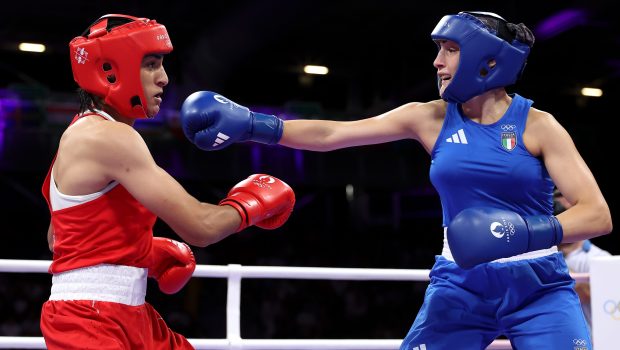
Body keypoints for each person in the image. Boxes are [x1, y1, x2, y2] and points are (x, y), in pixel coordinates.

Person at [179, 10, 613, 349]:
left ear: (486, 58)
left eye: (449, 49)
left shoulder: (540, 126)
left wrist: (523, 233)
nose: (437, 61)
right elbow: (334, 133)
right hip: (461, 284)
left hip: (539, 285)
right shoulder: (429, 118)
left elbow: (597, 214)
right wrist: (257, 125)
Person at [40, 14, 295, 350]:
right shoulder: (108, 137)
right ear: (111, 71)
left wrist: (143, 252)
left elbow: (58, 238)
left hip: (123, 313)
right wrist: (250, 205)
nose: (163, 79)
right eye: (151, 64)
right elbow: (201, 226)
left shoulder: (79, 132)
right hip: (91, 320)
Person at [554, 188, 612, 333]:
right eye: (557, 197)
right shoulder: (540, 254)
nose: (563, 205)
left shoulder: (599, 258)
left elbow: (592, 295)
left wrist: (552, 257)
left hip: (593, 341)